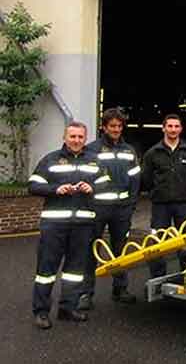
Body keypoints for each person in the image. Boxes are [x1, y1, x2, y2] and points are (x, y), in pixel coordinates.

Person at [29, 121, 102, 329]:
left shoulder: (94, 161)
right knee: (46, 270)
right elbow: (33, 185)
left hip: (83, 224)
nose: (76, 140)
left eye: (80, 137)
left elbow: (106, 184)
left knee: (75, 270)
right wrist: (56, 189)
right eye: (72, 136)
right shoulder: (51, 160)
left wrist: (92, 187)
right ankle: (41, 312)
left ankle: (68, 308)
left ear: (85, 138)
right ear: (64, 137)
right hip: (54, 224)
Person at [80, 108, 140, 309]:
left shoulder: (129, 150)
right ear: (104, 127)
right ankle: (85, 294)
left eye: (119, 126)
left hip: (122, 209)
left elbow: (135, 180)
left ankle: (120, 289)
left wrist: (131, 204)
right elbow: (86, 179)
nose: (116, 129)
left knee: (120, 250)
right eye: (112, 126)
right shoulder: (91, 150)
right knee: (91, 250)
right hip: (97, 208)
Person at [141, 114, 186, 278]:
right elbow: (146, 178)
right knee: (158, 243)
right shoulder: (152, 153)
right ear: (163, 128)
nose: (173, 129)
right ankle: (158, 279)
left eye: (176, 126)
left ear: (181, 129)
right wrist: (156, 192)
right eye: (170, 126)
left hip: (184, 204)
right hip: (161, 205)